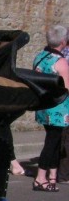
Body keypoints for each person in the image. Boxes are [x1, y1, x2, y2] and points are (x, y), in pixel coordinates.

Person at [32, 25, 69, 191]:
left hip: (44, 105)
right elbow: (67, 87)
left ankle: (52, 176)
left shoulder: (40, 57)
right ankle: (40, 178)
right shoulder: (60, 62)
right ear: (63, 41)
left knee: (53, 141)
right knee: (51, 142)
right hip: (58, 109)